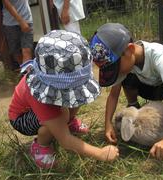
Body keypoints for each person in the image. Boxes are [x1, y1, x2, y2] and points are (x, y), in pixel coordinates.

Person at [89, 23, 163, 160]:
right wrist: (107, 124)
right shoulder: (127, 62)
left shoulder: (158, 55)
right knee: (126, 77)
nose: (116, 72)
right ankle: (134, 106)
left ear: (130, 50)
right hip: (148, 89)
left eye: (115, 67)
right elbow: (113, 95)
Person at [8, 30, 119, 169]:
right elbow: (65, 141)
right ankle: (40, 146)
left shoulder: (48, 73)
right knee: (60, 117)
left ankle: (67, 122)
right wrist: (101, 153)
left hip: (40, 108)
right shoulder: (37, 96)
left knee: (75, 100)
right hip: (22, 118)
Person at [2, 0, 33, 70]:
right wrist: (21, 21)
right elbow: (6, 3)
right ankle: (23, 70)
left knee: (27, 50)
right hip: (10, 23)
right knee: (16, 51)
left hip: (27, 19)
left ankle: (28, 76)